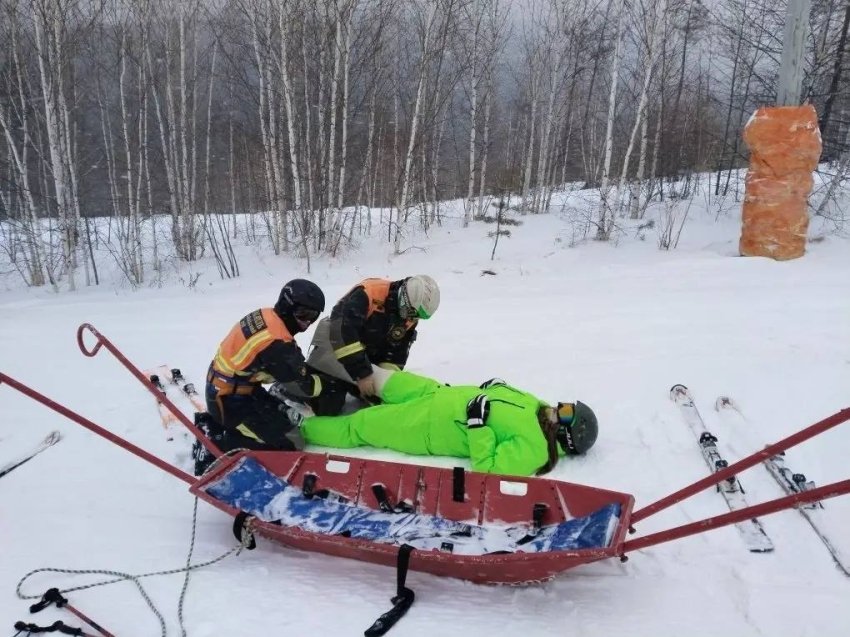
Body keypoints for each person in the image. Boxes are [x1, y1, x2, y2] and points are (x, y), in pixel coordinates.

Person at [294, 368, 599, 477]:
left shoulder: (537, 450)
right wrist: (494, 386)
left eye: (568, 412)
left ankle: (297, 424)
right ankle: (314, 370)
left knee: (358, 426)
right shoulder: (539, 406)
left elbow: (489, 469)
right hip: (436, 392)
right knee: (373, 374)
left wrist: (478, 425)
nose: (560, 406)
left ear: (568, 435)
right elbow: (503, 395)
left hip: (426, 425)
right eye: (568, 404)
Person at [192, 279, 326, 474]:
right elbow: (305, 387)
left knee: (285, 422)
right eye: (303, 314)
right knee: (290, 443)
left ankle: (222, 426)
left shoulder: (267, 315)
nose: (307, 322)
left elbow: (269, 363)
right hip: (229, 401)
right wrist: (325, 380)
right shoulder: (277, 342)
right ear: (287, 305)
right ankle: (217, 444)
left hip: (234, 387)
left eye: (313, 317)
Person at [304, 275, 440, 415]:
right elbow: (342, 332)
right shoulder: (369, 293)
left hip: (364, 356)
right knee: (327, 405)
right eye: (411, 312)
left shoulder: (409, 316)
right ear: (403, 297)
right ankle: (296, 387)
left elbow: (396, 352)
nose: (412, 318)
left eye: (418, 316)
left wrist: (385, 379)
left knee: (380, 402)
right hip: (334, 347)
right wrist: (362, 373)